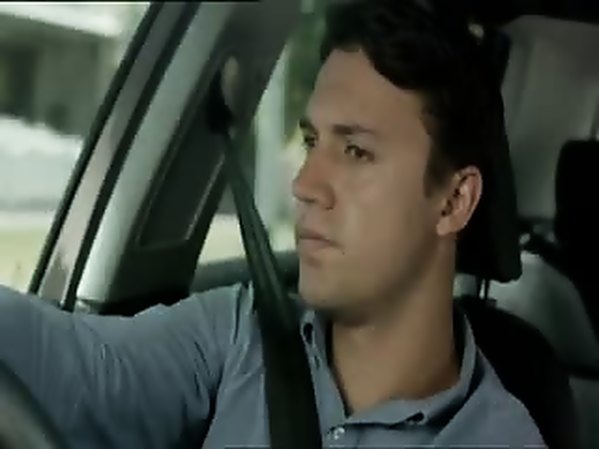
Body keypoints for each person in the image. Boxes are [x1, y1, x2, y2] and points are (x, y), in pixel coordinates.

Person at [0, 0, 545, 448]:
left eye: (355, 151)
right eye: (312, 143)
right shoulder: (241, 336)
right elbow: (78, 371)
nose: (304, 184)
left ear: (454, 201)